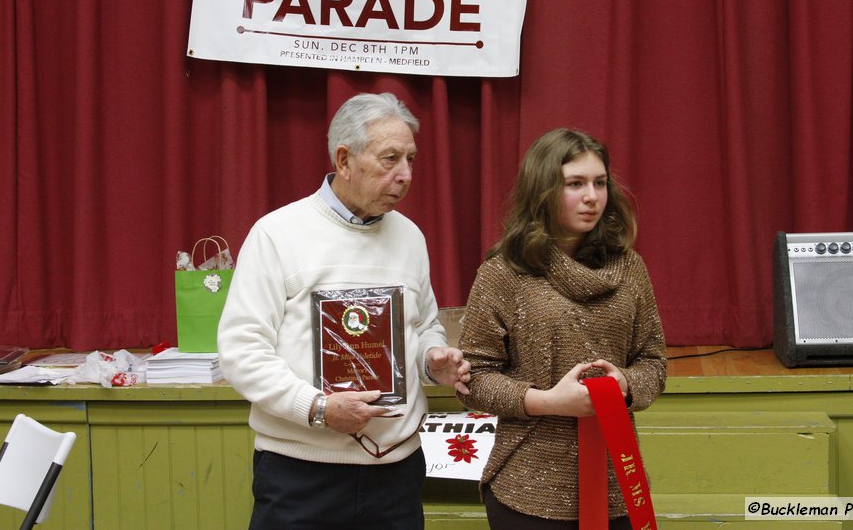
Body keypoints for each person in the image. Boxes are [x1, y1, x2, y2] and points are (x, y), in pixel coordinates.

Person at [218, 92, 471, 530]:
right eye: (390, 159)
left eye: (411, 159)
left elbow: (425, 325)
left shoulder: (410, 236)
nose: (405, 175)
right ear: (344, 159)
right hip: (301, 474)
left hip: (397, 471)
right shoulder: (277, 234)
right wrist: (317, 408)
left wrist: (433, 360)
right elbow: (242, 353)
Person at [456, 128, 667, 530]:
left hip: (618, 482)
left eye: (600, 183)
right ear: (543, 191)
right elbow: (474, 380)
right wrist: (549, 401)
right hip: (527, 490)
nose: (592, 196)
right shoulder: (503, 274)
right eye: (575, 184)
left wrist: (624, 383)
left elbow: (654, 362)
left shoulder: (631, 268)